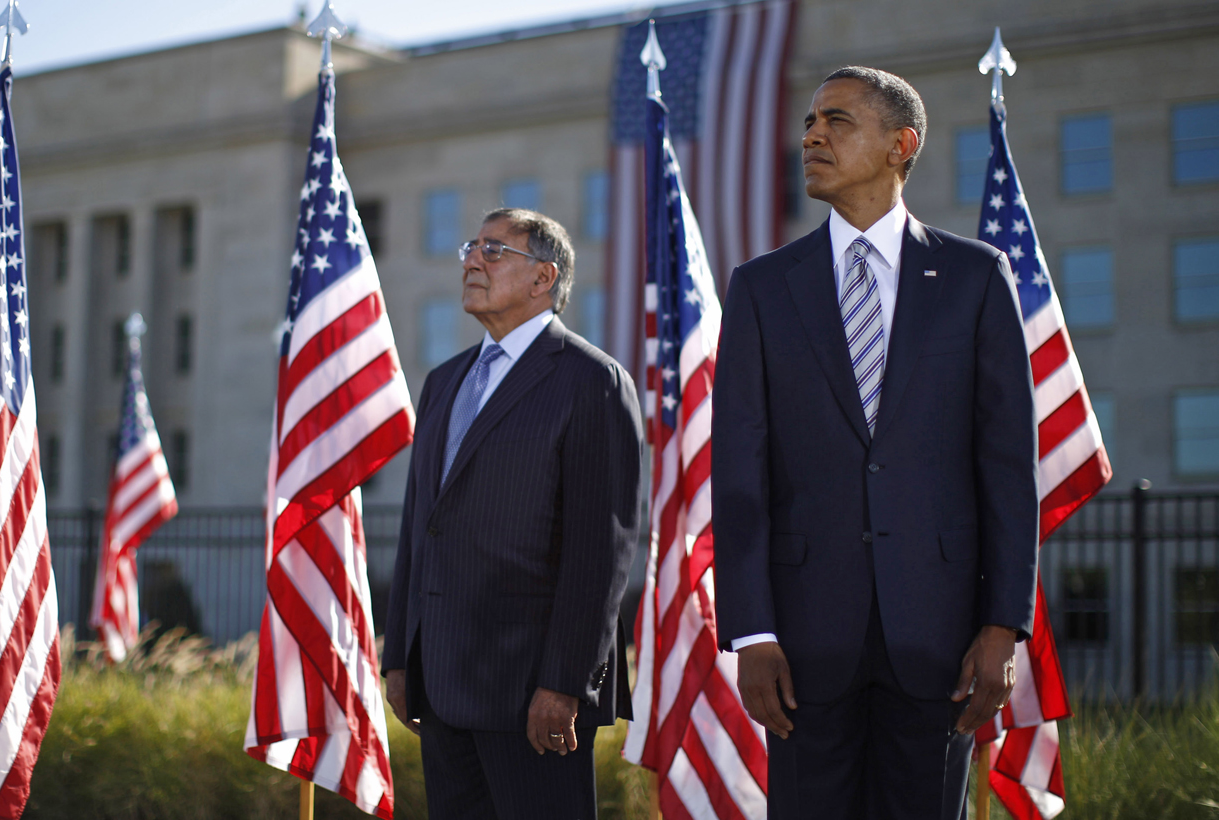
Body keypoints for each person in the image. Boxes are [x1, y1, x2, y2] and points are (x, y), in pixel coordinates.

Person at [712, 66, 1039, 818]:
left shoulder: (974, 277)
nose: (813, 135)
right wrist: (752, 630)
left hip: (942, 639)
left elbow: (1007, 467)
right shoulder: (762, 287)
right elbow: (740, 471)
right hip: (798, 648)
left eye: (838, 120)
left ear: (902, 144)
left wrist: (1001, 627)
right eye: (809, 122)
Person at [382, 208, 642, 819]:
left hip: (532, 694)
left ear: (542, 278)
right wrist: (400, 657)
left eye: (494, 251)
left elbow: (598, 552)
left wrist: (565, 683)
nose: (472, 259)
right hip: (441, 686)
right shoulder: (444, 382)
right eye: (471, 247)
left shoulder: (592, 381)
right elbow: (421, 526)